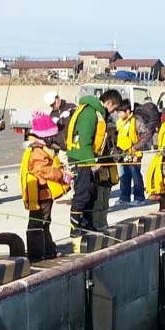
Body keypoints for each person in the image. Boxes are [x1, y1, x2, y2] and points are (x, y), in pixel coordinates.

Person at [66, 89, 122, 237]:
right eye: (114, 108)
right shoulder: (90, 113)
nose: (114, 112)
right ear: (109, 103)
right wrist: (91, 162)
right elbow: (85, 140)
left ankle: (87, 223)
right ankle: (75, 227)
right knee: (82, 192)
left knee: (92, 193)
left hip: (90, 158)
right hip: (80, 159)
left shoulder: (99, 113)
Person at [20, 112, 72, 260]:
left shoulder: (41, 149)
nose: (52, 139)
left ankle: (47, 249)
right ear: (44, 136)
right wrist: (60, 174)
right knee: (39, 222)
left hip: (45, 193)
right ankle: (38, 253)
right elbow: (40, 170)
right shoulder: (38, 151)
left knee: (44, 222)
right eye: (51, 136)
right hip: (41, 193)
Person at [115, 100, 146, 206]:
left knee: (136, 176)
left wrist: (136, 149)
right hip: (122, 153)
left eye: (120, 112)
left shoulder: (137, 121)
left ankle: (139, 197)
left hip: (134, 153)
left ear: (127, 111)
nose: (119, 114)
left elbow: (144, 137)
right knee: (124, 176)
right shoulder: (120, 122)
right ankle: (124, 197)